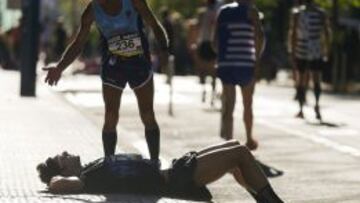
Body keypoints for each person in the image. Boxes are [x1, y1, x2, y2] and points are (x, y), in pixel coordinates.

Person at [42, 0, 169, 164]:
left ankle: (154, 163)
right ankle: (109, 163)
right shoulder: (92, 10)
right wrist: (59, 67)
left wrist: (164, 50)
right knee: (110, 116)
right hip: (113, 65)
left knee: (147, 114)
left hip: (138, 63)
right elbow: (79, 43)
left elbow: (154, 25)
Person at [37, 140, 284, 202]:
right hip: (175, 180)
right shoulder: (86, 179)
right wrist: (55, 179)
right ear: (65, 169)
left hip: (175, 169)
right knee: (239, 153)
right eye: (64, 157)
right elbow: (57, 185)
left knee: (234, 150)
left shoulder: (91, 167)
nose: (68, 153)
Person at [213, 0, 264, 150]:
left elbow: (214, 41)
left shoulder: (223, 11)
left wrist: (221, 57)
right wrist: (257, 61)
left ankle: (228, 144)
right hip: (246, 64)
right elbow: (259, 37)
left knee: (229, 105)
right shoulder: (252, 12)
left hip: (226, 63)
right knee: (247, 104)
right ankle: (249, 139)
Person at [290, 0, 331, 120]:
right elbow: (327, 32)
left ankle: (301, 109)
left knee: (301, 78)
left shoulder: (297, 13)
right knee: (316, 78)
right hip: (315, 49)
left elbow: (293, 33)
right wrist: (327, 49)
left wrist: (292, 50)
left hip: (301, 48)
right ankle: (316, 105)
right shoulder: (320, 13)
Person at [196, 0, 222, 106]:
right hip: (206, 42)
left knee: (209, 70)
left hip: (208, 42)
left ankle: (209, 93)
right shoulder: (207, 12)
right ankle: (207, 92)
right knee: (208, 70)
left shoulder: (213, 11)